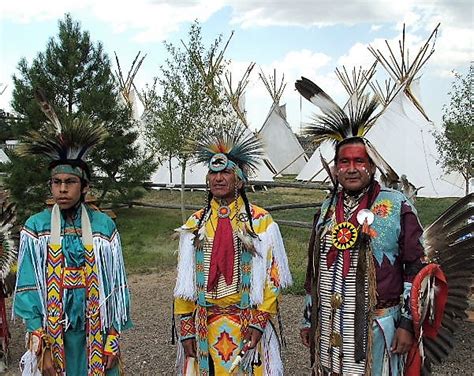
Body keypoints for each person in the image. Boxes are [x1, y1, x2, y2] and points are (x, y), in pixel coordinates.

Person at [295, 78, 425, 375]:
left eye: (359, 161)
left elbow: (415, 267)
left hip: (378, 326)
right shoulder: (327, 208)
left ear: (372, 165)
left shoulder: (396, 206)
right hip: (329, 324)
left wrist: (407, 323)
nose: (352, 168)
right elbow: (312, 271)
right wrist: (308, 318)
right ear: (335, 167)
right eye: (344, 162)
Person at [13, 92, 131, 376]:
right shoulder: (36, 227)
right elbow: (28, 283)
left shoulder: (103, 227)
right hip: (53, 339)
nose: (62, 189)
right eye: (56, 182)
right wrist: (39, 340)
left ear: (84, 187)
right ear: (50, 185)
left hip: (96, 336)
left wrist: (112, 340)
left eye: (70, 182)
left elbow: (115, 287)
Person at [173, 126, 292, 375]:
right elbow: (184, 283)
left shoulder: (260, 222)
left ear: (239, 179)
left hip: (248, 321)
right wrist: (186, 328)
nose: (218, 179)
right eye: (213, 173)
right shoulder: (195, 224)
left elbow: (274, 277)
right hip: (206, 324)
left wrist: (259, 323)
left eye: (226, 172)